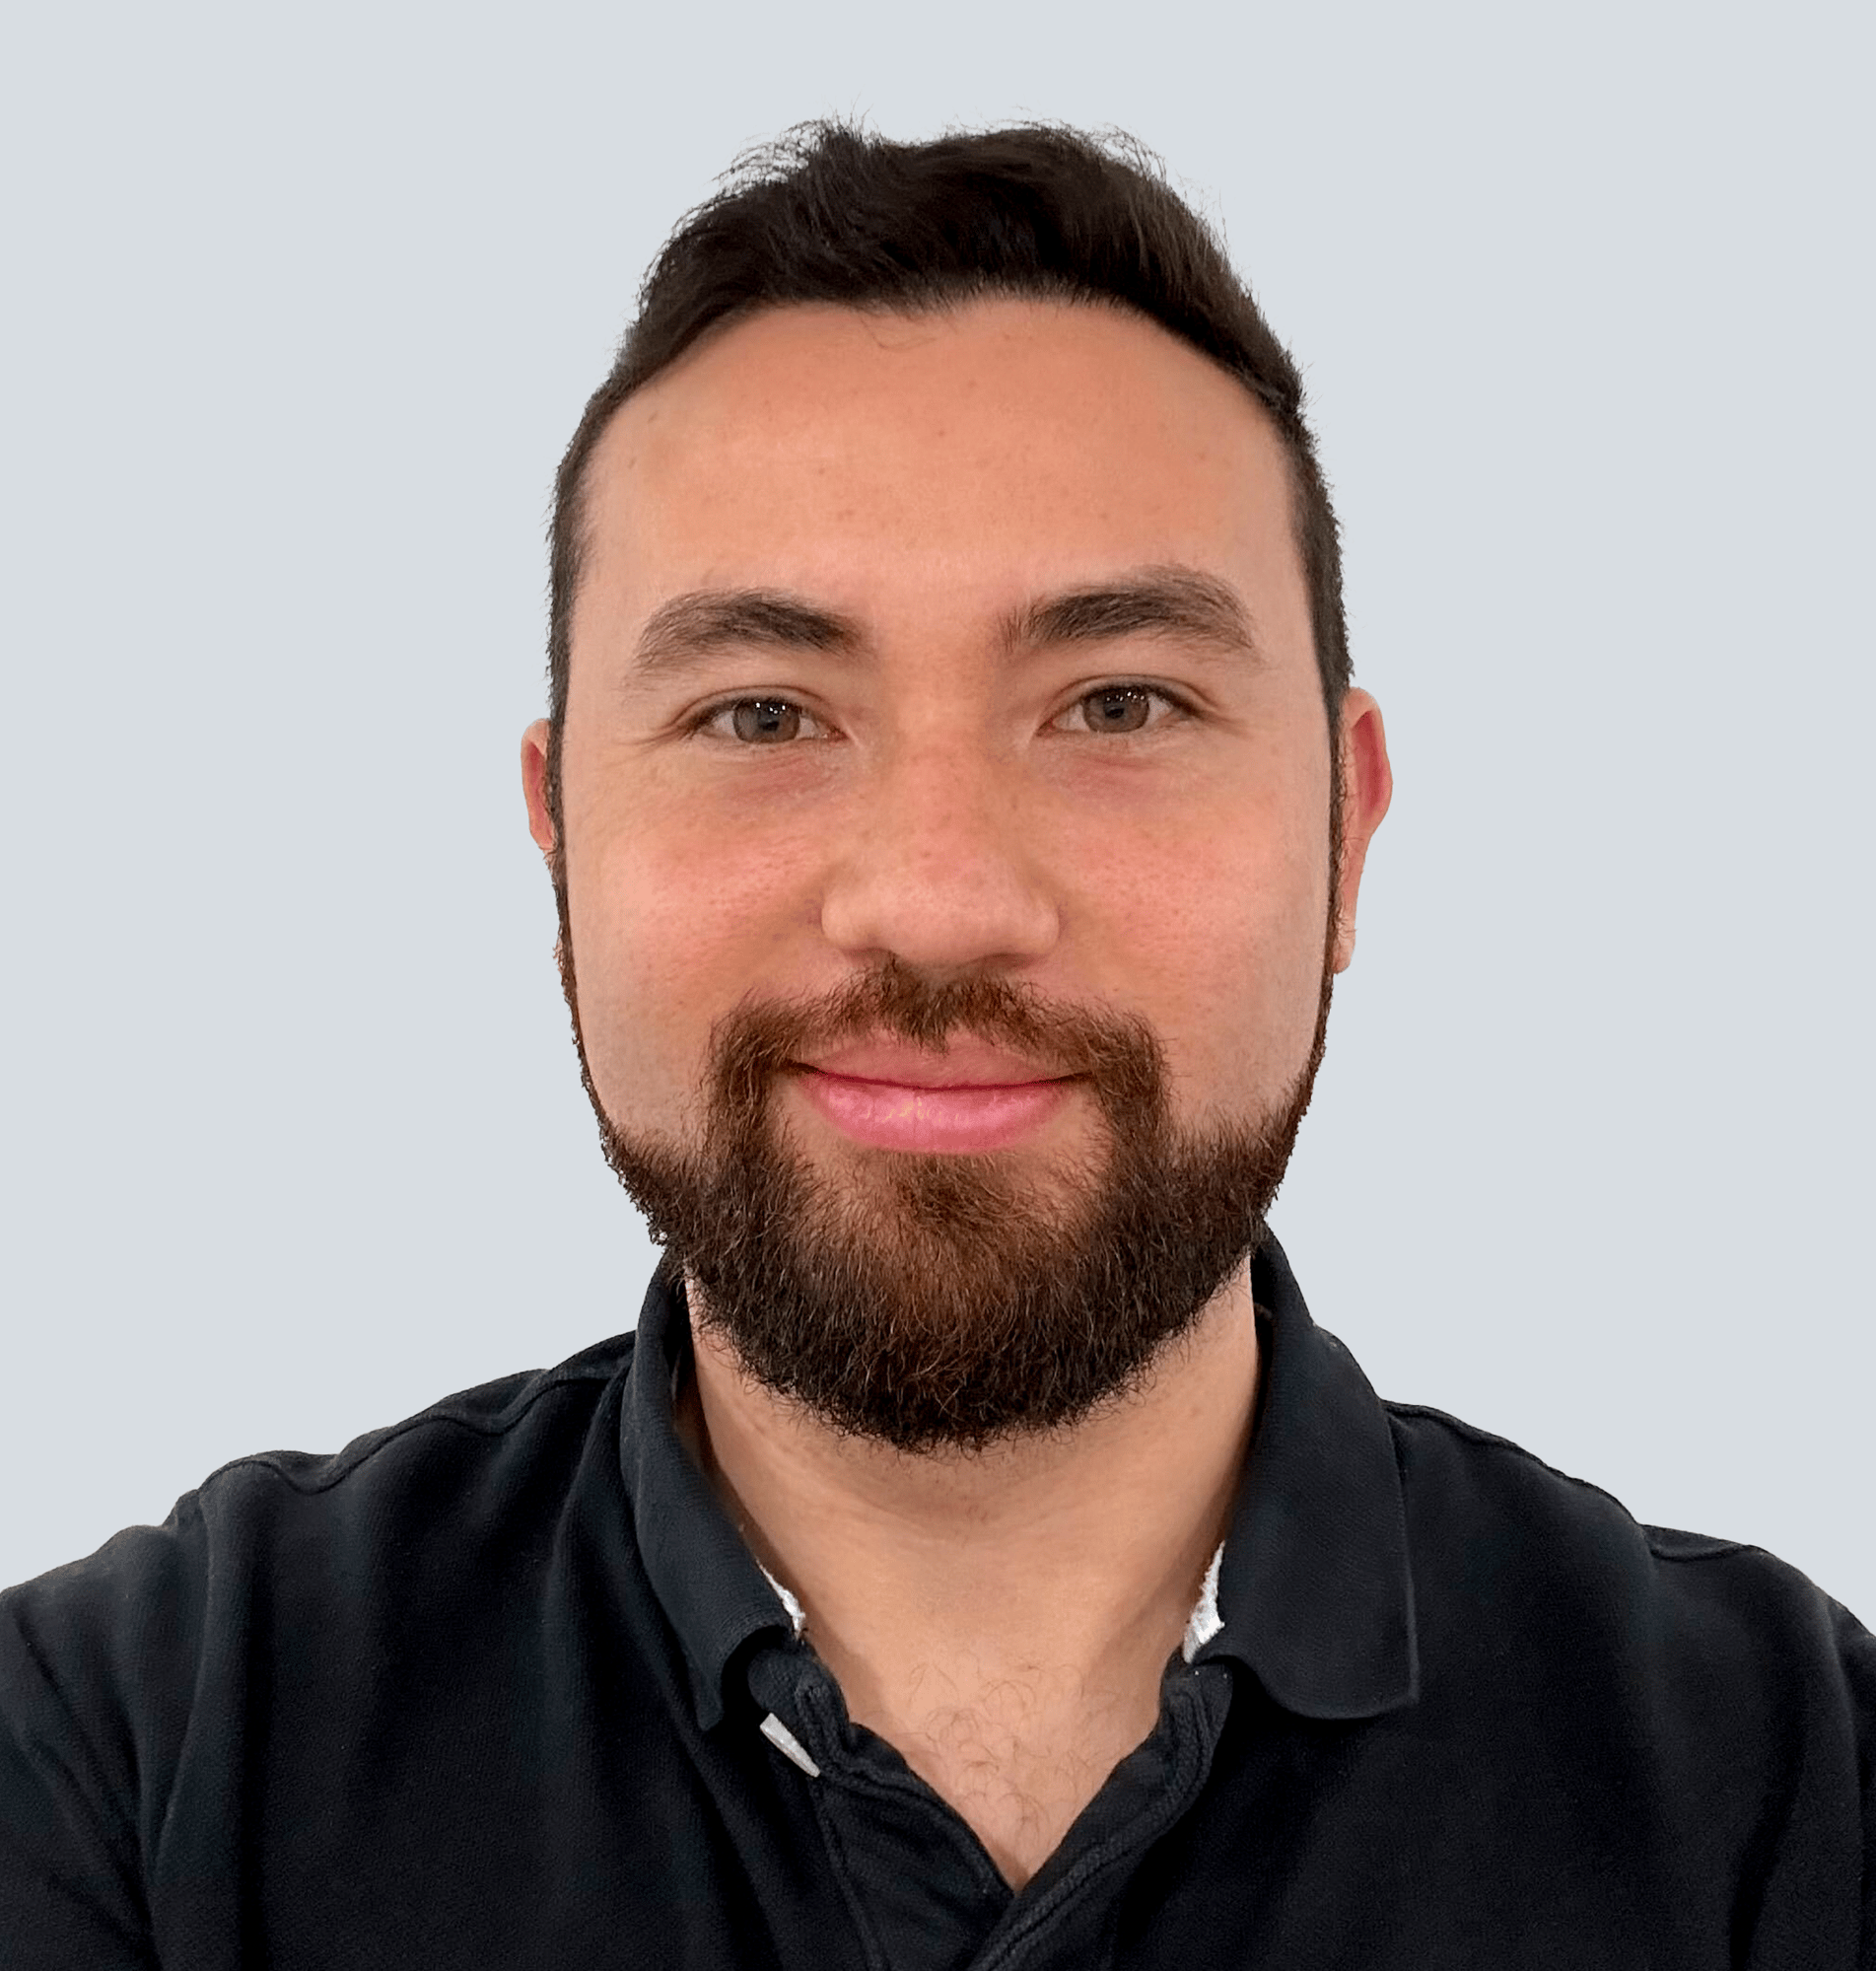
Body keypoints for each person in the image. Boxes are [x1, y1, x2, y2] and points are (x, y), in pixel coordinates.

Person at [2, 118, 1869, 1970]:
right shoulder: (123, 1755)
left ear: (1344, 831)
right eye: (759, 714)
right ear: (559, 830)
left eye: (1117, 700)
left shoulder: (1790, 1784)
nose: (936, 898)